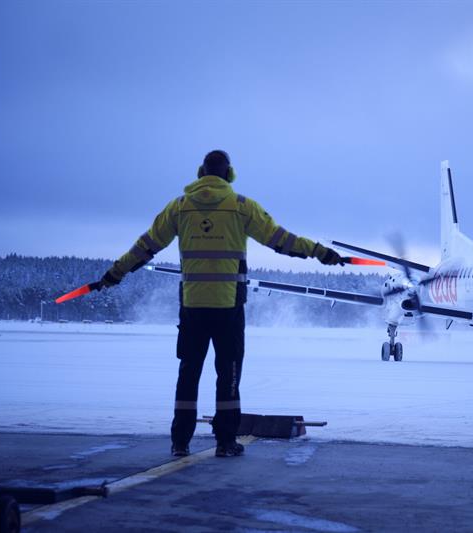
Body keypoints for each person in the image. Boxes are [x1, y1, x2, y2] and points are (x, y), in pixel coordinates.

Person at [99, 150, 344, 457]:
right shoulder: (242, 208)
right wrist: (320, 252)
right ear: (229, 175)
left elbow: (145, 246)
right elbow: (282, 240)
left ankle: (180, 441)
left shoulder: (179, 207)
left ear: (201, 172)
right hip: (228, 308)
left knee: (188, 373)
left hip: (192, 307)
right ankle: (226, 442)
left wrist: (114, 273)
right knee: (227, 374)